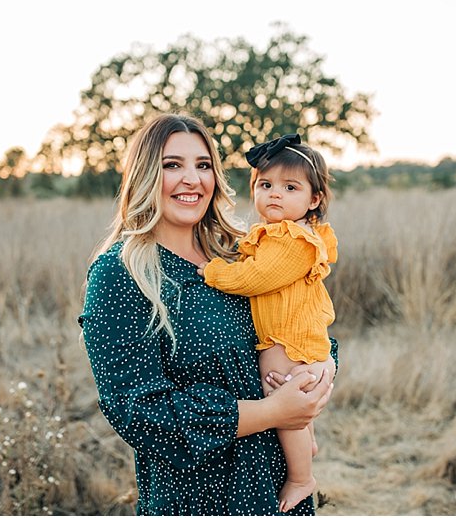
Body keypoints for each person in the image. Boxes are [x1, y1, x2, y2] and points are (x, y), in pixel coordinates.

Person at [78, 113, 337, 516]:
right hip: (200, 496)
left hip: (278, 490)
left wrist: (323, 372)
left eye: (203, 165)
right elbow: (137, 411)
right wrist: (272, 411)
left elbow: (303, 320)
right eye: (172, 165)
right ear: (144, 175)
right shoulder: (121, 274)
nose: (192, 180)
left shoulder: (242, 254)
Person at [197, 134, 337, 512]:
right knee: (292, 397)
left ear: (314, 199)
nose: (275, 194)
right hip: (293, 337)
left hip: (286, 341)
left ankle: (301, 476)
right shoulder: (274, 234)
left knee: (282, 399)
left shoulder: (293, 240)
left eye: (290, 187)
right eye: (265, 185)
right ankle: (306, 442)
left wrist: (213, 272)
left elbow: (256, 278)